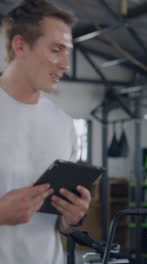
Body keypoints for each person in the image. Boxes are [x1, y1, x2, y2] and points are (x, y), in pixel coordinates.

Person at [0, 1, 91, 263]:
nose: (65, 64)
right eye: (56, 50)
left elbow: (60, 226)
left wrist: (72, 217)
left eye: (68, 52)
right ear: (20, 46)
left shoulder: (63, 125)